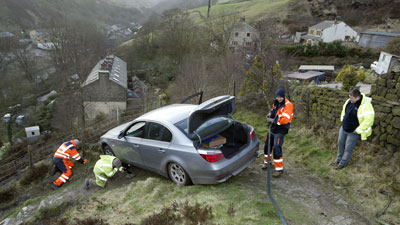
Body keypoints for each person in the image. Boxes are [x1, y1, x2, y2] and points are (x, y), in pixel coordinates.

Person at [332, 88, 374, 170]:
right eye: (349, 97)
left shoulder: (366, 105)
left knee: (348, 148)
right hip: (344, 128)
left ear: (357, 97)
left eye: (351, 98)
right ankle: (338, 160)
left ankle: (343, 163)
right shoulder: (349, 101)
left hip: (353, 132)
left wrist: (358, 130)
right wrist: (343, 120)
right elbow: (344, 111)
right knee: (340, 144)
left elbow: (369, 120)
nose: (349, 99)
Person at [262, 88, 294, 178]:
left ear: (284, 96)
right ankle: (267, 162)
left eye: (280, 97)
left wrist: (272, 120)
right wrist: (270, 114)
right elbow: (274, 110)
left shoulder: (288, 105)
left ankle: (279, 170)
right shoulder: (276, 102)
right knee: (267, 144)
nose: (278, 99)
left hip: (280, 130)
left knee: (276, 147)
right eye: (277, 97)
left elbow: (284, 120)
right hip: (273, 129)